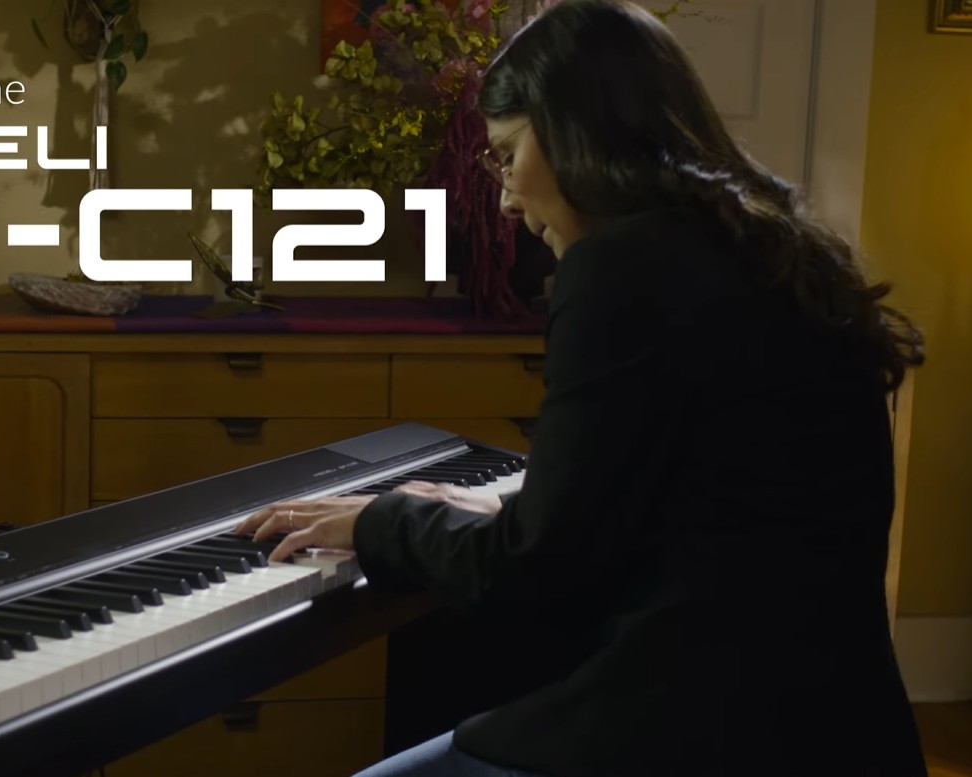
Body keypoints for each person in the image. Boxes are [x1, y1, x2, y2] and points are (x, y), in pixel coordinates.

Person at [234, 1, 929, 775]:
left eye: (508, 153)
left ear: (576, 130)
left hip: (699, 731)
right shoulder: (782, 253)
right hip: (844, 727)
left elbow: (533, 571)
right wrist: (505, 510)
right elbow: (716, 498)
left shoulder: (623, 268)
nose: (504, 197)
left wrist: (383, 520)